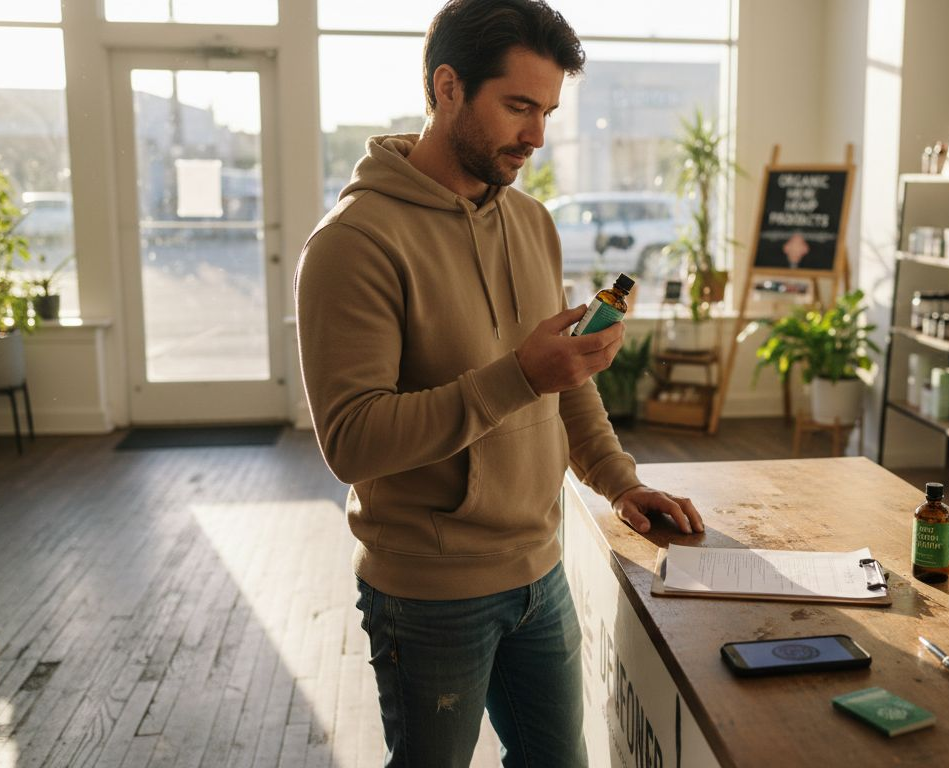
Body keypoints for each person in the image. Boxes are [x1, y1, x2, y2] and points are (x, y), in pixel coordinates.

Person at [294, 1, 703, 764]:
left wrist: (618, 481)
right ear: (447, 88)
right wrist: (517, 376)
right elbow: (352, 443)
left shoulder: (533, 223)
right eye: (519, 106)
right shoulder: (352, 243)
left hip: (540, 569)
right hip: (426, 589)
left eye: (547, 110)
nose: (538, 135)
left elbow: (563, 379)